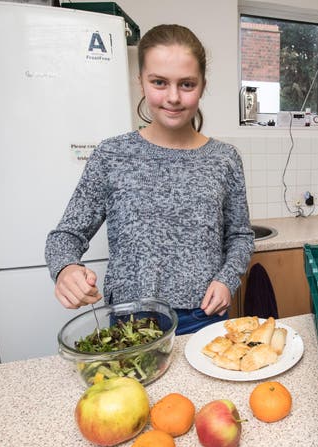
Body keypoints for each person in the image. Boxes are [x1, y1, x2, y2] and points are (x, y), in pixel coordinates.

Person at [45, 24, 254, 334]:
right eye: (159, 82)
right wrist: (66, 268)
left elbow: (240, 236)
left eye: (186, 84)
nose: (173, 97)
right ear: (141, 82)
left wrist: (227, 280)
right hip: (131, 319)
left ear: (202, 85)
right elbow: (65, 236)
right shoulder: (112, 154)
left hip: (204, 316)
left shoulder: (225, 158)